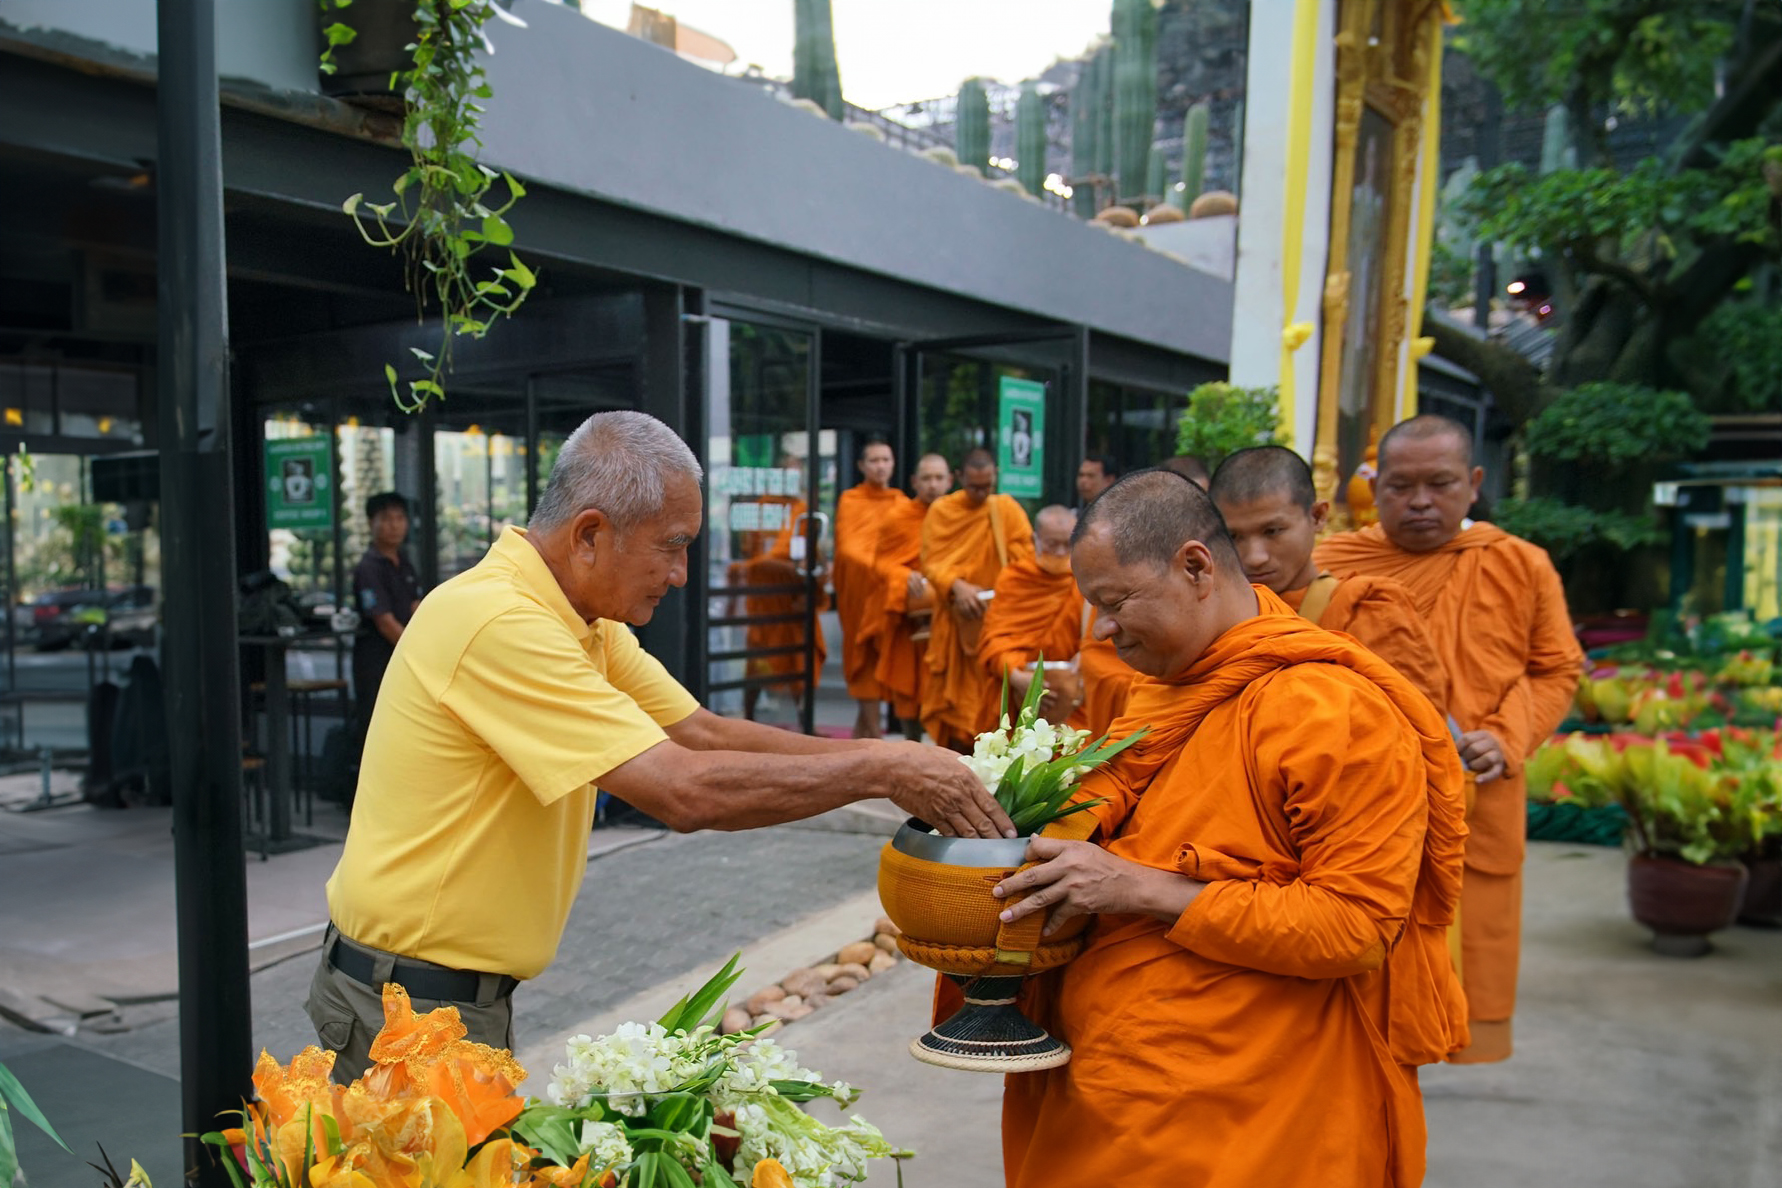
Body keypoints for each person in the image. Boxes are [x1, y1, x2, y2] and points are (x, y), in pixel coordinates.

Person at [310, 412, 1013, 1082]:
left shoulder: (582, 620)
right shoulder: (499, 620)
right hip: (406, 1002)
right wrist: (883, 767)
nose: (680, 575)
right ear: (590, 535)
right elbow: (684, 789)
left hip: (448, 995)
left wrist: (889, 755)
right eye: (672, 546)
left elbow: (702, 733)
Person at [995, 469, 1469, 1187]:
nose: (1105, 630)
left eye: (1116, 603)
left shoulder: (1332, 711)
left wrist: (1138, 888)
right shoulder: (1164, 690)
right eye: (1094, 607)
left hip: (1254, 1109)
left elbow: (1356, 925)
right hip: (1113, 1078)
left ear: (1195, 566)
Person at [1316, 415, 1583, 1065]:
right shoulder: (1331, 565)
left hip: (1476, 786)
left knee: (1467, 941)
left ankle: (1459, 1035)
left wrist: (1508, 737)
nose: (1419, 502)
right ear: (1374, 488)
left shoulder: (1520, 565)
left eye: (1439, 484)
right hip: (1362, 791)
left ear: (1474, 484)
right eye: (1401, 486)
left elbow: (1557, 668)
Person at [1210, 446, 1447, 713]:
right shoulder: (1212, 619)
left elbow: (1415, 726)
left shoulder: (1368, 611)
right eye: (1234, 537)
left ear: (1318, 516)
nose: (1255, 557)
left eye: (1272, 531)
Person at [918, 448, 1033, 750]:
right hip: (957, 624)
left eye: (987, 486)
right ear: (959, 478)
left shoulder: (1006, 509)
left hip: (997, 621)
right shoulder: (942, 510)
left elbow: (1026, 557)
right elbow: (930, 562)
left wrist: (1000, 590)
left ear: (995, 474)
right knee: (956, 712)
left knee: (994, 709)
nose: (981, 493)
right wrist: (957, 585)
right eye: (974, 487)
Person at [862, 453, 952, 737]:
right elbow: (880, 563)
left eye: (939, 478)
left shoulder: (960, 516)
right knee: (910, 691)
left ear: (950, 481)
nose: (933, 485)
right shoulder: (899, 517)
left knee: (951, 693)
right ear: (914, 481)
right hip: (912, 621)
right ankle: (911, 744)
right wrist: (903, 576)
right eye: (926, 478)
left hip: (950, 621)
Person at [729, 456, 825, 721]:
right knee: (758, 662)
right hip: (764, 599)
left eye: (796, 475)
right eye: (787, 474)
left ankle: (805, 721)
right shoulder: (761, 509)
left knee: (799, 660)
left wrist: (808, 575)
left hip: (792, 596)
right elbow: (751, 551)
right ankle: (748, 717)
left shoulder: (803, 511)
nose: (792, 481)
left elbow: (812, 552)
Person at [976, 506, 1084, 726]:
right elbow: (993, 639)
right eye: (1052, 544)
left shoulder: (1085, 580)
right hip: (1019, 691)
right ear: (1036, 539)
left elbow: (1099, 636)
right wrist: (1016, 677)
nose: (1061, 553)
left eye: (1068, 545)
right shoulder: (1016, 578)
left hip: (1074, 693)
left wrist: (1088, 657)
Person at [832, 438, 909, 738]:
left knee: (884, 665)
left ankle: (863, 744)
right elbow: (850, 548)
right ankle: (875, 741)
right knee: (864, 665)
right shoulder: (851, 500)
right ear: (862, 466)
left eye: (886, 460)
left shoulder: (901, 502)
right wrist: (886, 569)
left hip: (890, 598)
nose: (880, 466)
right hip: (861, 598)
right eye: (874, 460)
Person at [350, 492, 424, 742]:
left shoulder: (404, 562)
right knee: (378, 731)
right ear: (371, 523)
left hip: (403, 659)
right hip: (376, 662)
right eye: (387, 519)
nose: (395, 525)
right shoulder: (368, 568)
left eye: (400, 518)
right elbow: (384, 622)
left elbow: (416, 606)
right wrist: (418, 651)